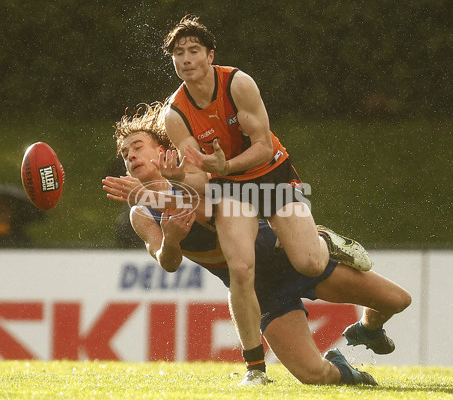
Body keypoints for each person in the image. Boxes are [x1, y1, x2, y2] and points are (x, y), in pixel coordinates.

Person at [102, 103, 411, 386]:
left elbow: (211, 210)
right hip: (260, 292)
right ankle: (347, 372)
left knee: (397, 300)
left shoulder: (192, 174)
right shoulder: (141, 214)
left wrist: (156, 196)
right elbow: (168, 262)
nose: (130, 156)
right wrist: (171, 239)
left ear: (162, 150)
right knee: (313, 375)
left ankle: (367, 329)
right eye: (126, 154)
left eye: (138, 147)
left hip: (286, 256)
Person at [159, 15, 371, 382]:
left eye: (194, 51)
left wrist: (225, 166)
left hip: (272, 174)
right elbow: (197, 172)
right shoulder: (174, 114)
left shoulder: (238, 83)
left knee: (308, 263)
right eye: (179, 53)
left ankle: (323, 240)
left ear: (211, 55)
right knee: (240, 269)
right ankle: (255, 369)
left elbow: (261, 146)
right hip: (229, 188)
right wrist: (180, 177)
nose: (186, 59)